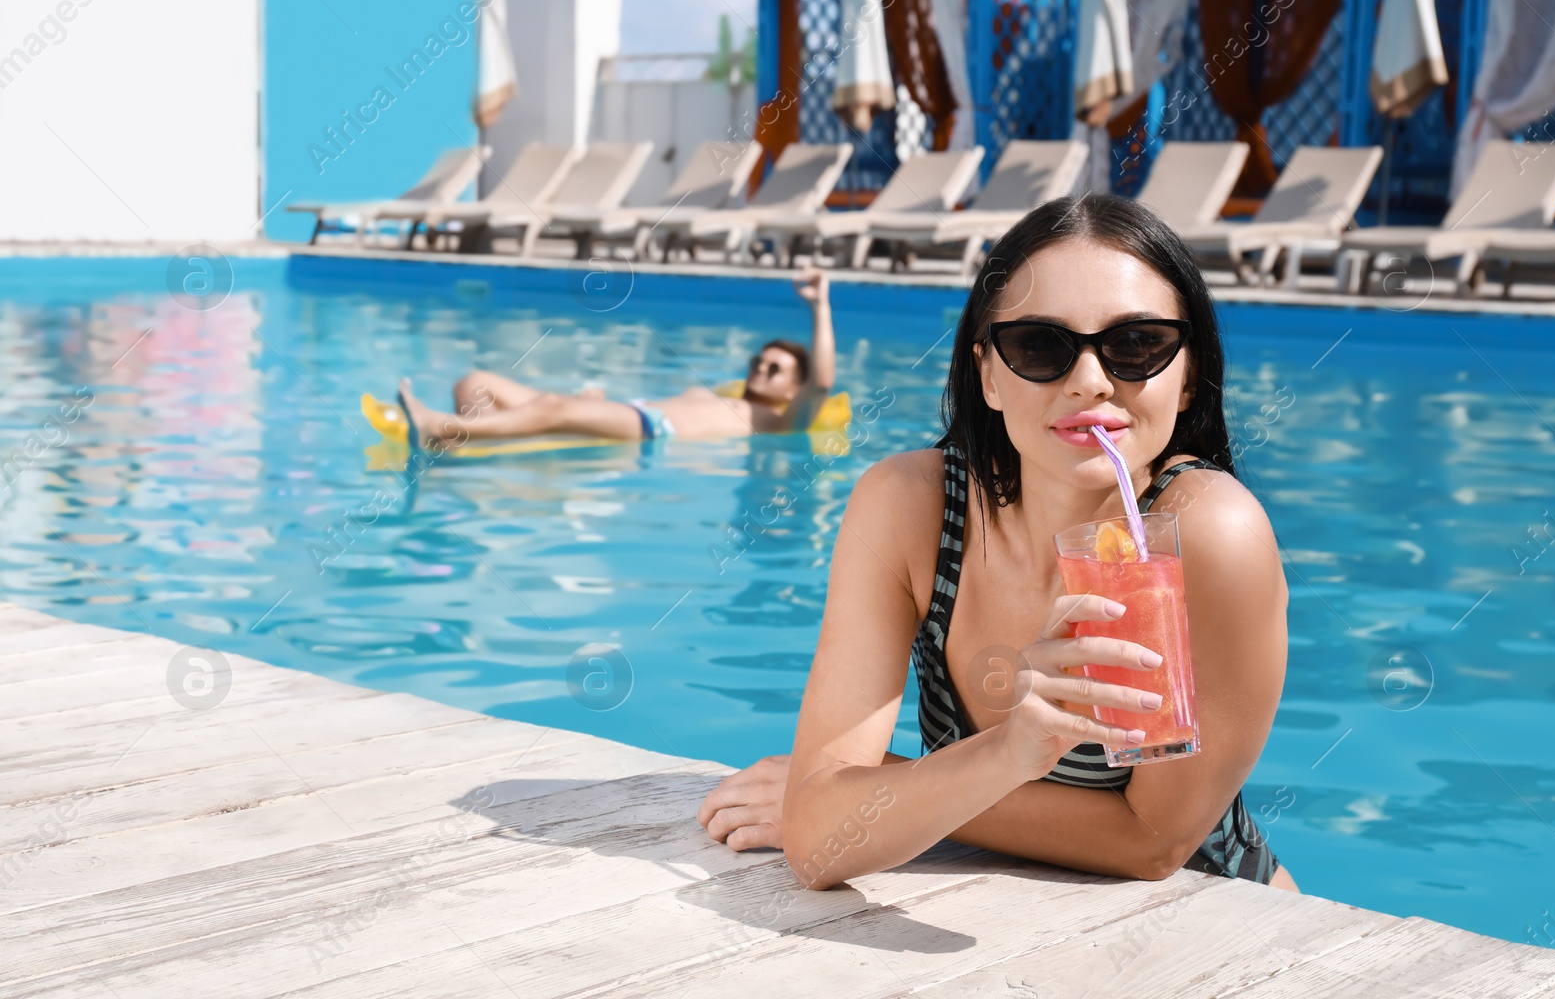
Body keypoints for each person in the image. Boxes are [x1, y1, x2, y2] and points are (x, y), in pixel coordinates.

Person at [695, 194, 1300, 893]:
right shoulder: (909, 509)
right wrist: (1008, 754)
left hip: (1226, 931)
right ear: (987, 371)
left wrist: (894, 785)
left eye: (1137, 344)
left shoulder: (1212, 533)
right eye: (1039, 345)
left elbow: (1154, 843)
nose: (1091, 381)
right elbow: (818, 840)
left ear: (1188, 371)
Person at [396, 269, 835, 451]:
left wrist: (820, 305)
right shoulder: (719, 394)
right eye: (759, 360)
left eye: (774, 369)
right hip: (632, 412)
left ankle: (445, 428)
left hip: (651, 432)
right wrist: (598, 402)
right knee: (474, 383)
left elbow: (823, 385)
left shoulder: (776, 421)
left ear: (792, 389)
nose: (760, 368)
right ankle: (474, 443)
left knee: (550, 406)